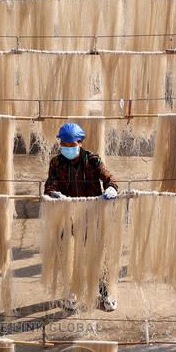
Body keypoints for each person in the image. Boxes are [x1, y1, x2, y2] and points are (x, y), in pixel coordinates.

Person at [44, 122, 120, 312]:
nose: (68, 149)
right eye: (65, 145)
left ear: (80, 142)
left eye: (72, 145)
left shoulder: (92, 160)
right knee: (69, 256)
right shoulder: (56, 163)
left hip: (92, 216)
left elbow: (109, 178)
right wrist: (54, 194)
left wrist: (111, 188)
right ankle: (73, 292)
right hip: (67, 217)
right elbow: (50, 185)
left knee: (95, 256)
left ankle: (106, 293)